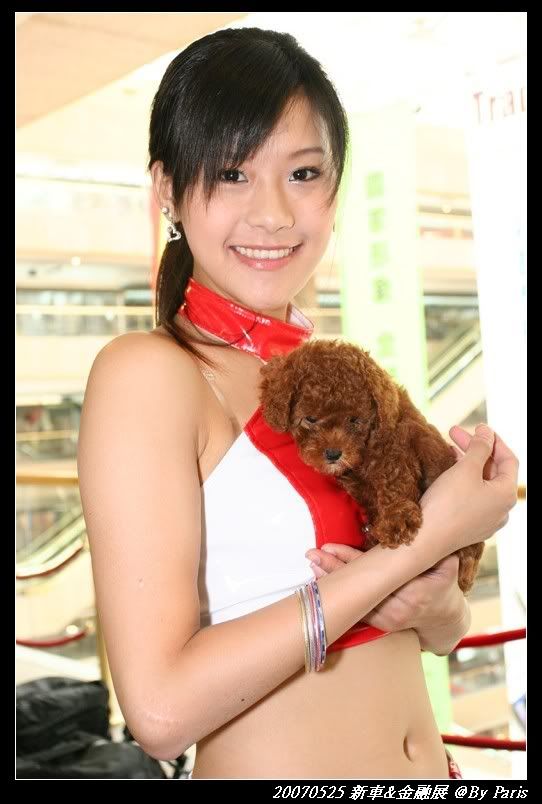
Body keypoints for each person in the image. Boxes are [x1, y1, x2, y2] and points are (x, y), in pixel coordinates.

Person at [76, 27, 519, 780]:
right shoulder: (149, 374)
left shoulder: (325, 377)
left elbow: (438, 635)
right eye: (232, 173)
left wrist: (435, 602)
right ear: (167, 190)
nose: (275, 213)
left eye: (303, 172)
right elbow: (158, 713)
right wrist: (422, 542)